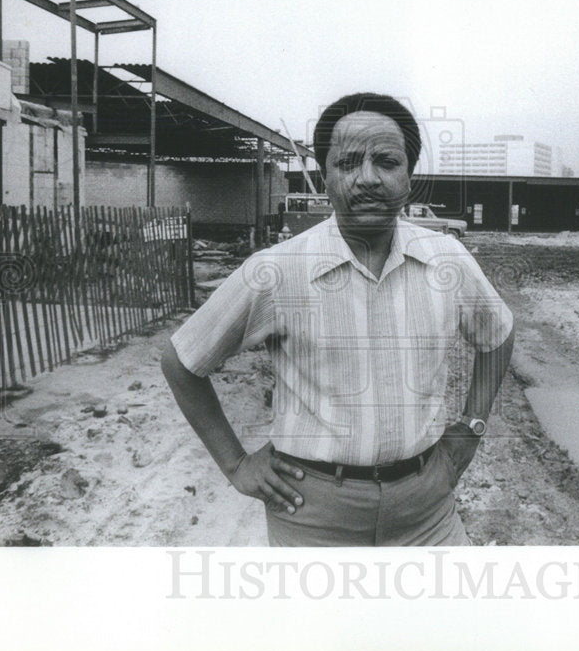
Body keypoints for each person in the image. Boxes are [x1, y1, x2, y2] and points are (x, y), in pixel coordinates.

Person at [161, 92, 514, 546]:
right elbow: (182, 361)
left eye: (386, 161)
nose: (367, 179)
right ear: (325, 175)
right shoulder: (276, 271)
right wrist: (235, 464)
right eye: (348, 163)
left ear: (410, 176)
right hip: (313, 518)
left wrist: (472, 427)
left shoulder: (447, 260)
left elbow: (498, 335)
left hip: (428, 513)